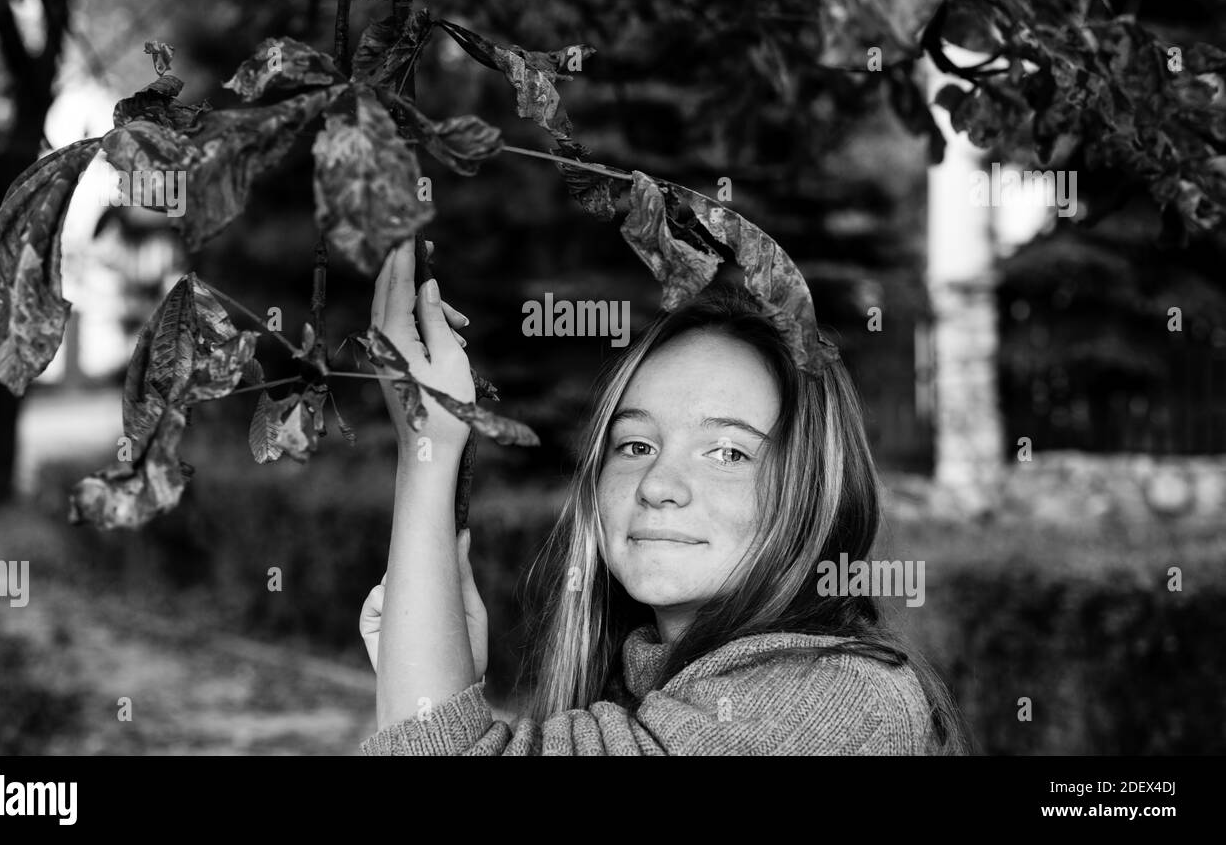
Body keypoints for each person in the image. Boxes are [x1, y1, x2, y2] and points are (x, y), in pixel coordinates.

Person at [357, 237, 969, 755]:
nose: (658, 487)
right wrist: (439, 664)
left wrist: (426, 449)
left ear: (813, 494)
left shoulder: (838, 698)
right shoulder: (647, 692)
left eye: (728, 453)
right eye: (636, 446)